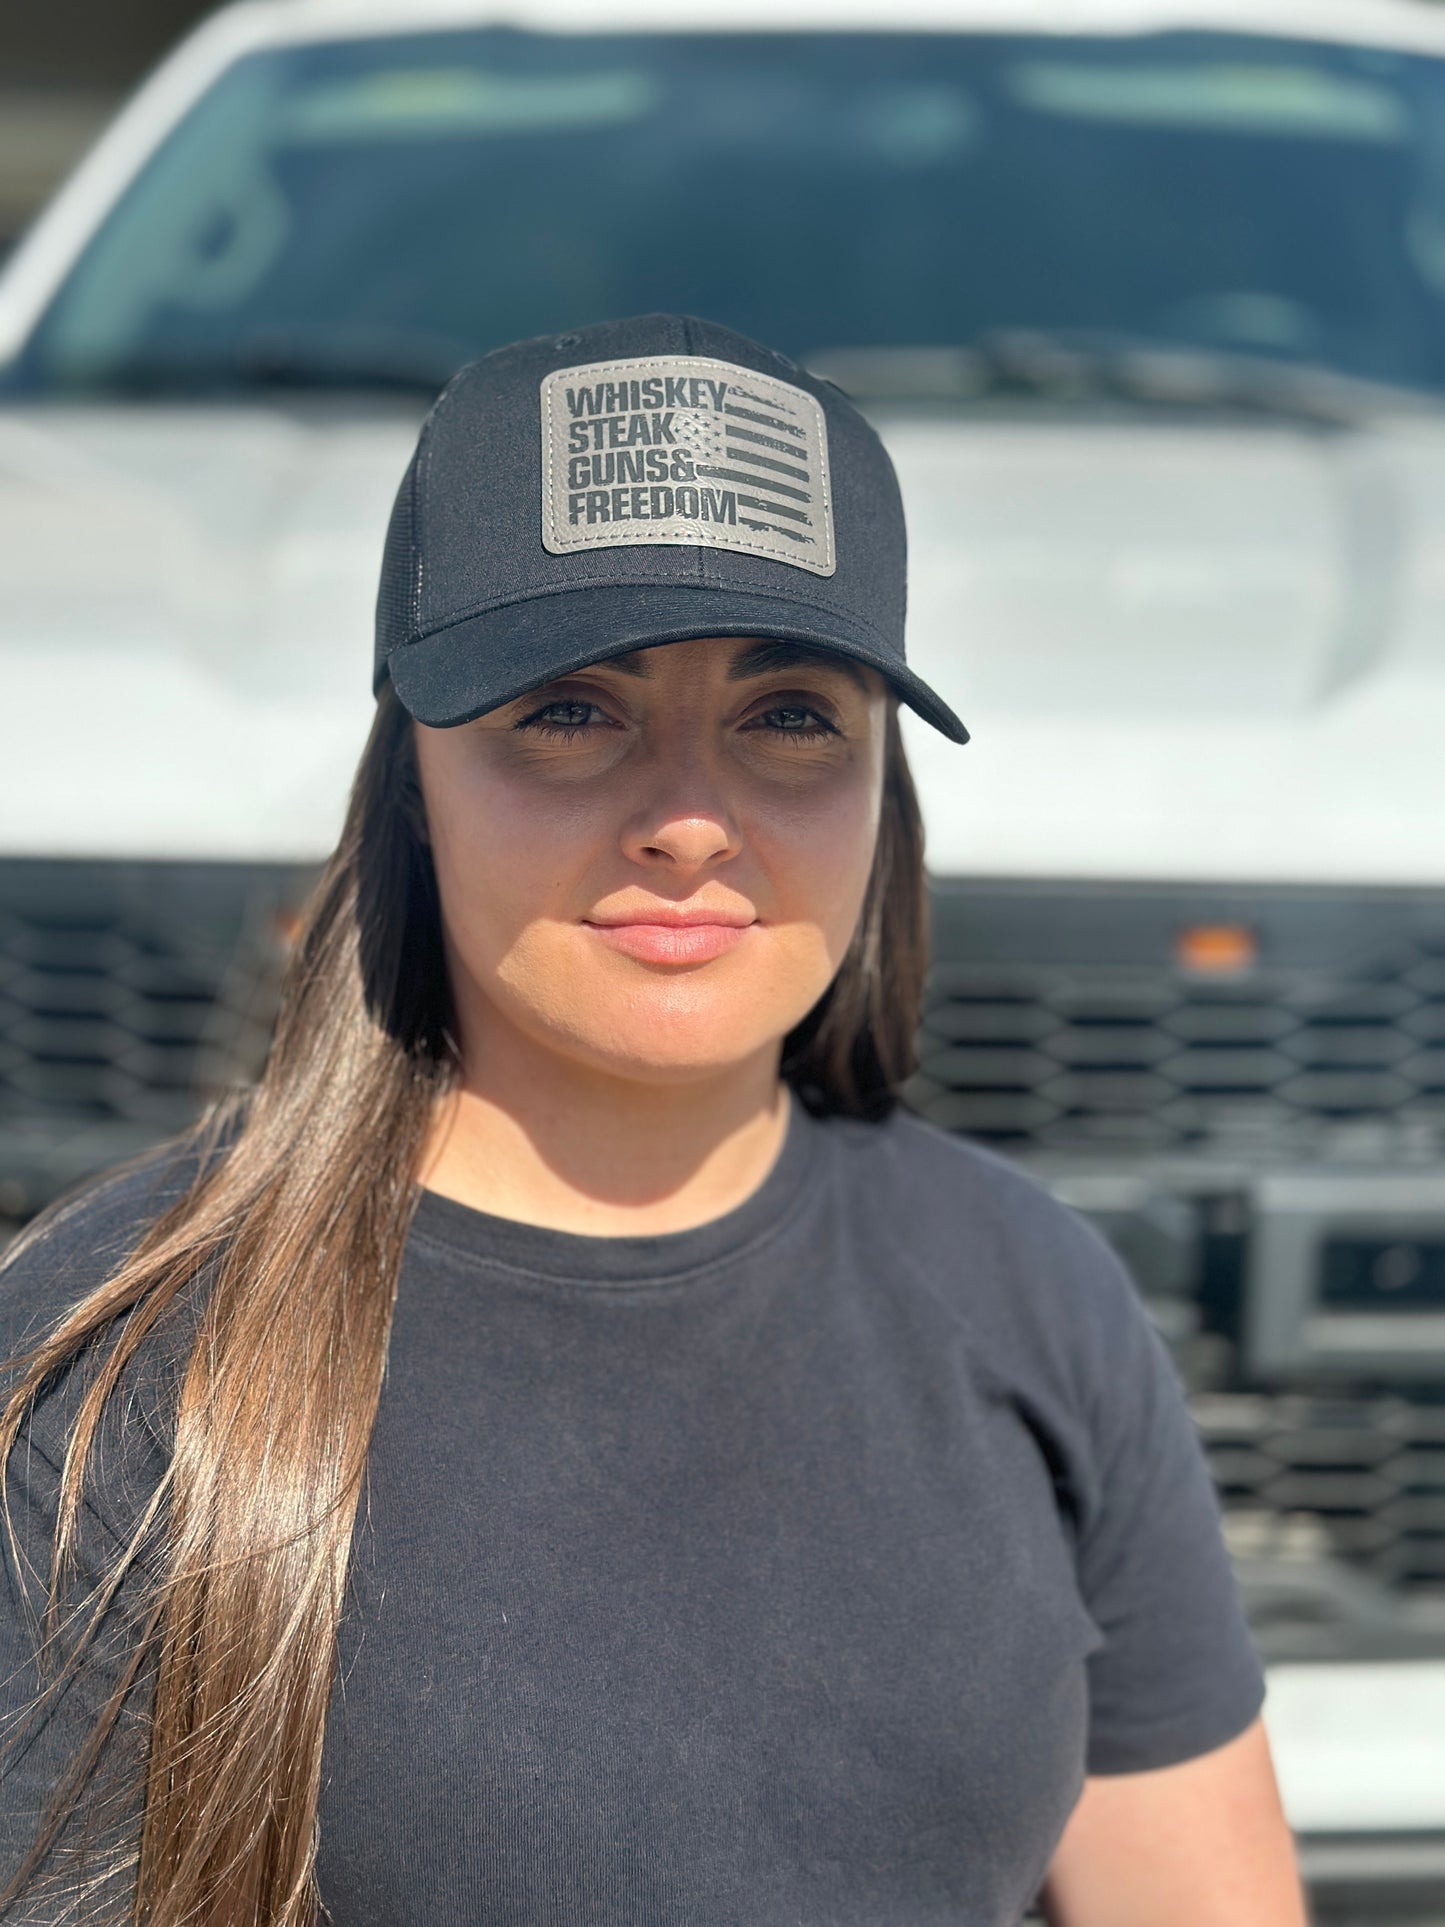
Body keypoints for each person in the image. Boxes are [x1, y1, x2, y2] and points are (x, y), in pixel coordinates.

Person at [0, 313, 1305, 1927]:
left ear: (882, 785)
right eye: (567, 708)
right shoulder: (124, 1355)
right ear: (412, 774)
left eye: (790, 716)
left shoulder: (1032, 1289)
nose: (691, 821)